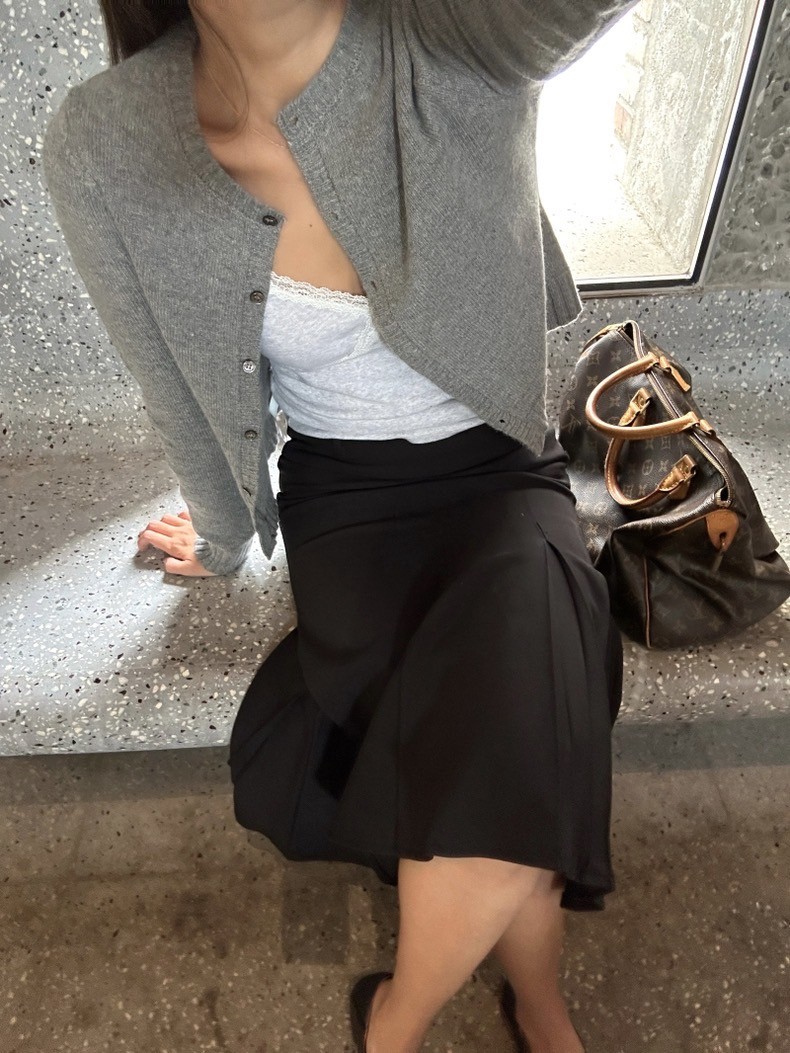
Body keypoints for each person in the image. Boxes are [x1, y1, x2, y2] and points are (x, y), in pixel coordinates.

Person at [42, 1, 640, 1049]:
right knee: (513, 738)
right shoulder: (106, 141)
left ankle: (399, 1020)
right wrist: (224, 536)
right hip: (349, 502)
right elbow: (172, 384)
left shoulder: (449, 31)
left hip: (501, 467)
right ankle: (534, 1003)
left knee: (522, 677)